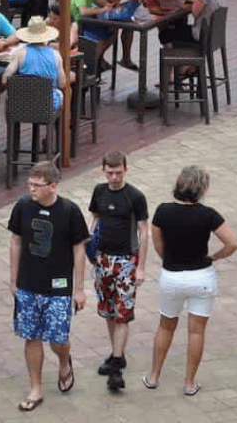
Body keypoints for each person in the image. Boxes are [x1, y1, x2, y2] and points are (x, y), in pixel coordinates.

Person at [143, 165, 237, 396]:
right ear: (202, 189)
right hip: (201, 276)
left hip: (172, 276)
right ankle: (189, 383)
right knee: (196, 332)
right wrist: (214, 257)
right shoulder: (209, 215)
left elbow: (157, 243)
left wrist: (168, 259)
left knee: (166, 325)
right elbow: (233, 243)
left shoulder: (163, 211)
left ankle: (154, 376)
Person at [8, 161, 89, 412]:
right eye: (30, 184)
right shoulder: (22, 207)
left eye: (37, 185)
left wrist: (79, 289)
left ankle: (64, 362)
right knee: (31, 337)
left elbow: (79, 249)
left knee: (57, 339)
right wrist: (13, 279)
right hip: (28, 284)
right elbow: (16, 241)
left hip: (58, 287)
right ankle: (36, 387)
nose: (32, 189)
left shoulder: (69, 211)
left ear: (53, 186)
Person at [88, 151, 149, 392]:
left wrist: (140, 267)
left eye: (118, 173)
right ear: (103, 171)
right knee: (108, 310)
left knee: (122, 312)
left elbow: (144, 232)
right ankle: (117, 353)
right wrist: (87, 240)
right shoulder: (99, 192)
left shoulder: (135, 197)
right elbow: (94, 217)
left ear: (126, 170)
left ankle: (116, 365)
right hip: (103, 258)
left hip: (126, 260)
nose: (114, 177)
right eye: (110, 173)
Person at [2, 16, 67, 112]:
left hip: (22, 104)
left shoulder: (20, 53)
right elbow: (62, 84)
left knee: (8, 97)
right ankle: (54, 121)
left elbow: (4, 80)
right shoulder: (56, 55)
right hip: (47, 105)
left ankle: (12, 122)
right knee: (60, 94)